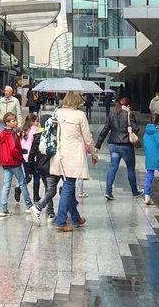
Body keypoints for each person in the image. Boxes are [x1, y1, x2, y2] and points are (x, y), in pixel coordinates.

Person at [50, 91, 98, 232]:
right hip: (74, 154)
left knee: (68, 184)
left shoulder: (58, 112)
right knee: (69, 185)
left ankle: (76, 218)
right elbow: (87, 138)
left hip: (60, 153)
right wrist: (94, 154)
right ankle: (61, 221)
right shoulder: (80, 115)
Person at [96, 96, 142, 201]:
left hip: (113, 145)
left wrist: (98, 145)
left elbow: (105, 129)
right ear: (127, 105)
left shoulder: (112, 113)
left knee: (113, 167)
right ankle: (135, 192)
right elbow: (136, 129)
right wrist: (130, 114)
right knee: (130, 169)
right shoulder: (128, 114)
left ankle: (108, 191)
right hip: (126, 146)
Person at [0, 112, 34, 216]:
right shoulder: (12, 135)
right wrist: (21, 157)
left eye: (15, 120)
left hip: (6, 162)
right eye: (13, 121)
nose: (15, 122)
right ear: (7, 123)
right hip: (14, 162)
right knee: (22, 183)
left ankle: (3, 209)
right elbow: (13, 149)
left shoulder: (2, 134)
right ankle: (29, 205)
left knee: (6, 185)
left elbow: (4, 149)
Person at [31, 114, 60, 226]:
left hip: (41, 167)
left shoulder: (38, 136)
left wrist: (30, 168)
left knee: (49, 189)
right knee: (52, 190)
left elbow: (32, 153)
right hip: (51, 167)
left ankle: (50, 213)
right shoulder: (54, 137)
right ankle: (39, 207)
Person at [19, 113, 41, 202]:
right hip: (33, 157)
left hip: (24, 156)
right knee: (36, 176)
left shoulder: (23, 131)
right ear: (32, 122)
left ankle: (19, 189)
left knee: (28, 176)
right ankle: (36, 196)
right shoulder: (36, 131)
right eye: (37, 121)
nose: (38, 123)